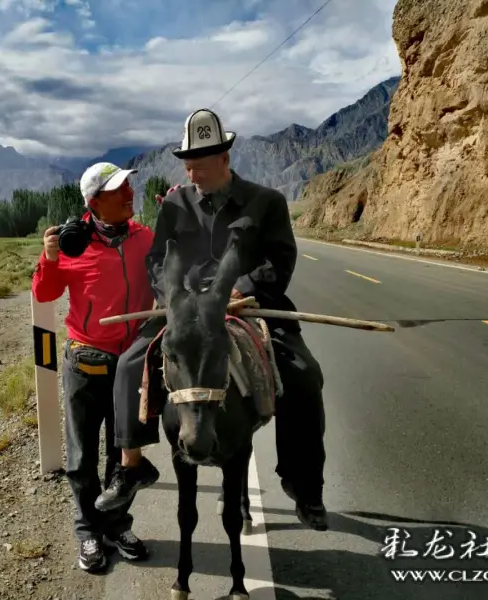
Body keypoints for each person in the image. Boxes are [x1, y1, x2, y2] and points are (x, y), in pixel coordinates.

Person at [94, 109, 329, 531]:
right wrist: (176, 298)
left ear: (224, 158)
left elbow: (282, 260)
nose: (191, 173)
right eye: (187, 165)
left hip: (250, 306)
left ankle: (304, 482)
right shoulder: (175, 204)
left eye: (198, 165)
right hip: (185, 310)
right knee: (131, 364)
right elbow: (156, 263)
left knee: (304, 374)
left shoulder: (267, 202)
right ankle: (129, 467)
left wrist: (243, 288)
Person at [31, 161, 155, 573]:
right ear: (95, 202)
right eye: (119, 188)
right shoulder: (73, 244)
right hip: (85, 365)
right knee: (82, 458)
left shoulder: (144, 237)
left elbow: (172, 273)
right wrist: (49, 259)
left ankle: (115, 525)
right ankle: (88, 533)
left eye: (128, 185)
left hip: (131, 364)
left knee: (124, 457)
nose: (129, 192)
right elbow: (45, 293)